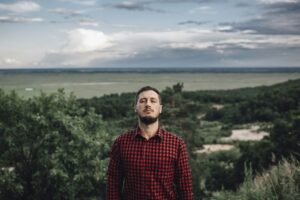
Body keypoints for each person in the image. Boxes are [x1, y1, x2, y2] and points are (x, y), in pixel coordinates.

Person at [106, 86, 193, 200]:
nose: (148, 104)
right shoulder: (121, 143)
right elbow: (113, 185)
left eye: (153, 101)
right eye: (142, 101)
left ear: (160, 108)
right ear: (135, 107)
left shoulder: (176, 144)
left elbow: (185, 187)